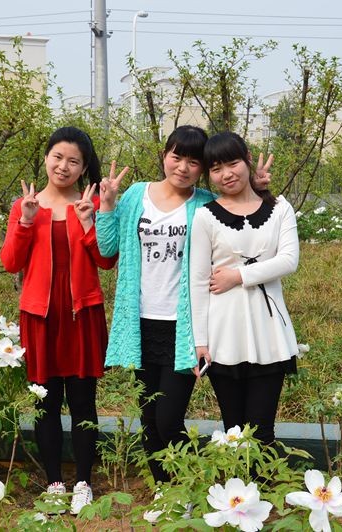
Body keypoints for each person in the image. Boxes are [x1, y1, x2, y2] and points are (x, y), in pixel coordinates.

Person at [0, 126, 128, 515]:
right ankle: (55, 481)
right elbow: (10, 263)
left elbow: (106, 260)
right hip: (39, 318)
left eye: (74, 161)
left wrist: (93, 222)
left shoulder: (88, 205)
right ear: (46, 157)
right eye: (58, 157)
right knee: (46, 404)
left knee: (84, 404)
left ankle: (84, 482)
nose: (64, 166)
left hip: (82, 316)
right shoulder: (27, 205)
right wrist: (24, 221)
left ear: (84, 167)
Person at [96, 126, 214, 496]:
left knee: (169, 418)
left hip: (184, 327)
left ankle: (195, 477)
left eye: (193, 162)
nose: (183, 167)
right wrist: (108, 204)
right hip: (140, 323)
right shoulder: (135, 195)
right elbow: (107, 248)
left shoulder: (206, 203)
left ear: (202, 169)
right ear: (164, 155)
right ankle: (166, 492)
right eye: (177, 156)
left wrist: (258, 189)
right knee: (149, 417)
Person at [190, 131, 300, 448]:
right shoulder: (204, 217)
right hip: (224, 332)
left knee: (263, 432)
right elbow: (198, 281)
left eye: (233, 163)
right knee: (234, 431)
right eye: (216, 168)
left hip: (269, 331)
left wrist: (238, 275)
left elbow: (288, 260)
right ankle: (236, 495)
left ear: (248, 160)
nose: (227, 174)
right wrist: (200, 342)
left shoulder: (280, 208)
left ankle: (261, 495)